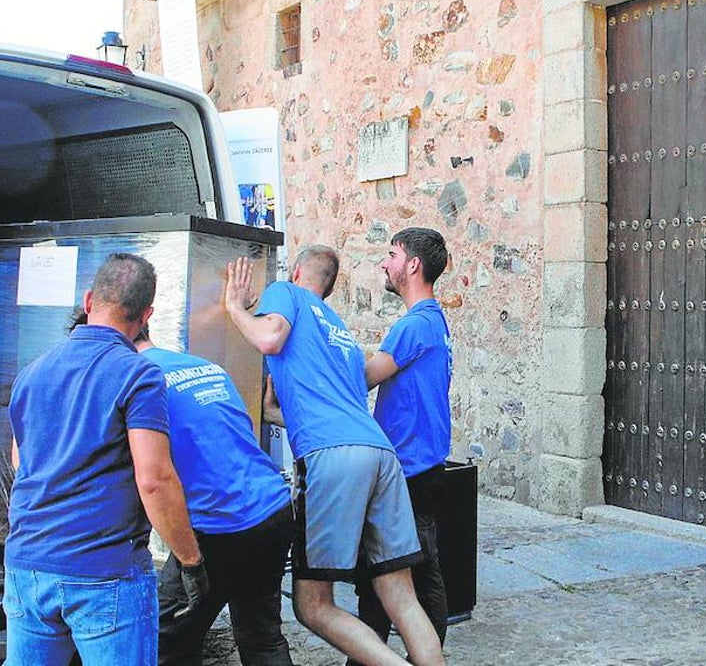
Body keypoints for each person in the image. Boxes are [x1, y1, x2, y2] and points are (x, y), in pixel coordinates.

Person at [223, 246, 445, 666]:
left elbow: (268, 338)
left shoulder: (284, 293)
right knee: (402, 597)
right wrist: (273, 408)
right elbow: (329, 408)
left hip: (333, 458)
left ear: (298, 271)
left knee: (312, 606)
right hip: (379, 453)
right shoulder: (339, 331)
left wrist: (236, 307)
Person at [4, 253, 208, 665]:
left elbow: (21, 465)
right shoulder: (138, 373)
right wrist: (191, 561)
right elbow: (154, 479)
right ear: (147, 314)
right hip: (103, 572)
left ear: (89, 299)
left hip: (28, 565)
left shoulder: (33, 372)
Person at [135, 324, 295, 666]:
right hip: (272, 508)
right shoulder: (203, 366)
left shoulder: (136, 381)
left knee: (163, 643)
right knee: (262, 637)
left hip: (220, 526)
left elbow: (152, 478)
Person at [350, 228, 454, 666]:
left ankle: (418, 657)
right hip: (420, 465)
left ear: (413, 264)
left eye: (391, 254)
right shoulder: (434, 320)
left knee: (407, 571)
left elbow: (367, 376)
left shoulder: (413, 326)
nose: (384, 263)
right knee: (400, 570)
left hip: (408, 469)